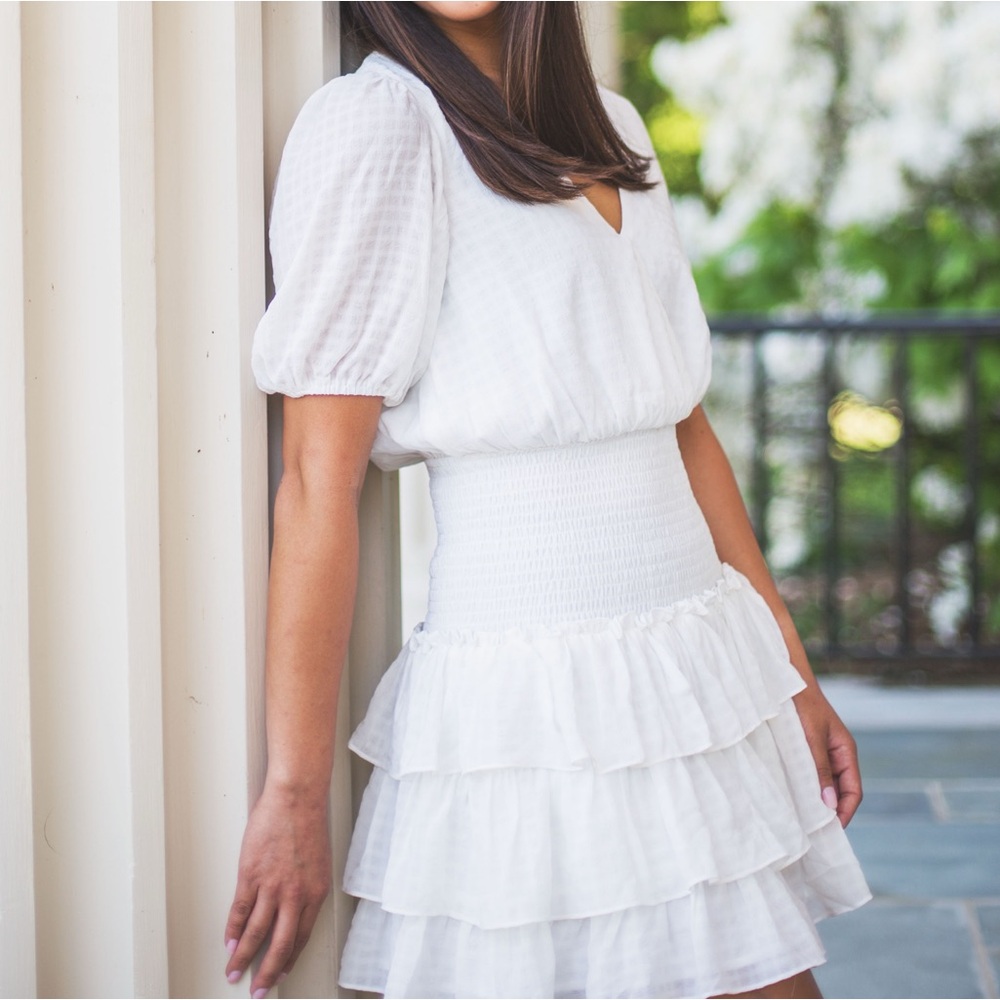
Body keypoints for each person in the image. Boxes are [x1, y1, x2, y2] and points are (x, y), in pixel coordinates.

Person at [224, 2, 872, 997]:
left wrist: (789, 669)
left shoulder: (611, 125)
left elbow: (681, 425)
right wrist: (294, 792)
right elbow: (317, 478)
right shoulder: (379, 125)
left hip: (694, 671)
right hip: (535, 706)